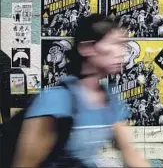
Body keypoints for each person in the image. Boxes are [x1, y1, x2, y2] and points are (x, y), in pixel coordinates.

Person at [12, 14, 150, 167]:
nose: (122, 52)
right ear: (87, 48)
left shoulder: (110, 99)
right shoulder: (55, 101)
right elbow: (24, 164)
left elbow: (130, 153)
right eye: (115, 43)